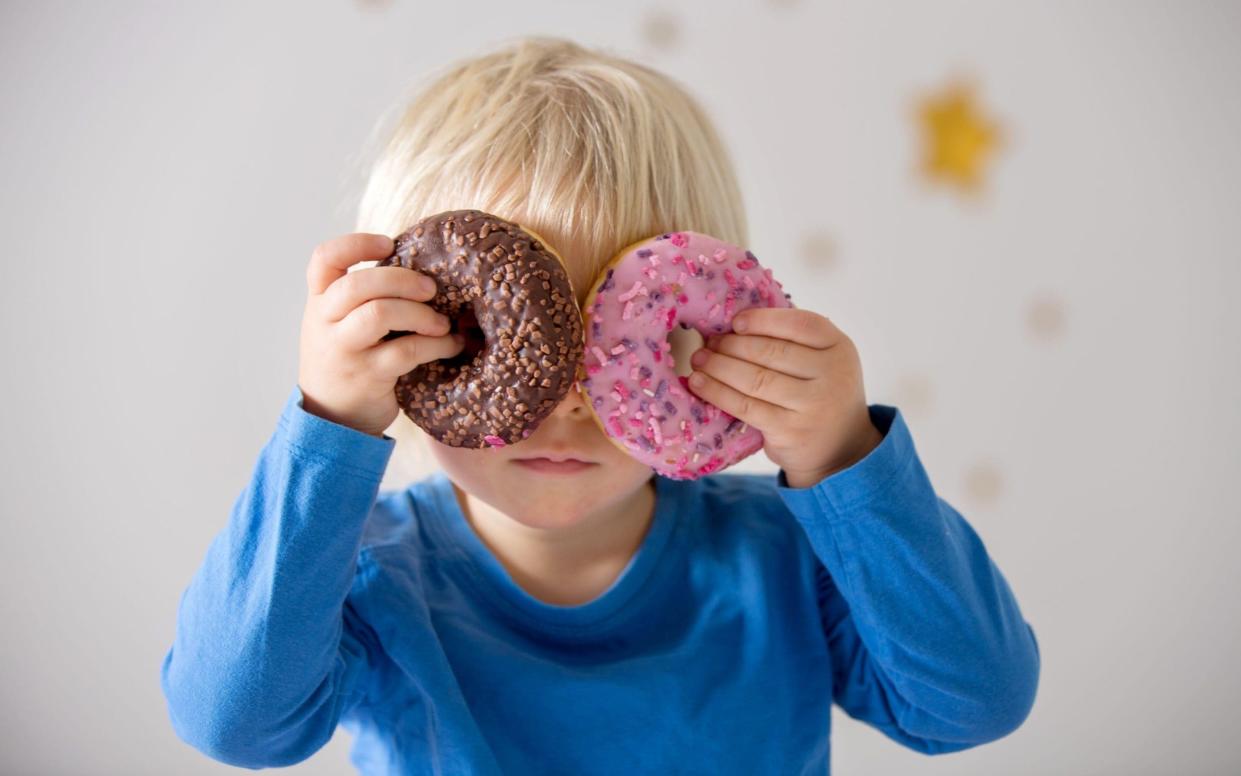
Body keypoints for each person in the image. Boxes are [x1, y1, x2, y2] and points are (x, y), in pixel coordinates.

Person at [159, 36, 1040, 774]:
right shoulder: (370, 578)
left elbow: (968, 704)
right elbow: (235, 723)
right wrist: (329, 428)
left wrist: (844, 454)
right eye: (496, 343)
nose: (567, 402)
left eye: (626, 342)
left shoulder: (784, 560)